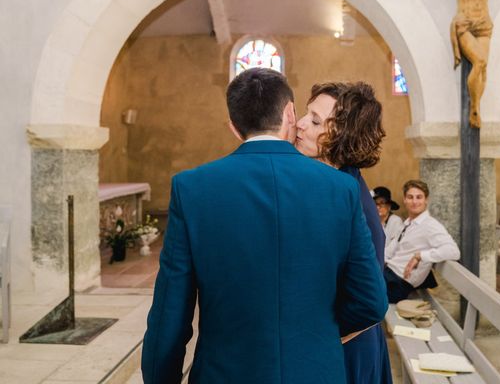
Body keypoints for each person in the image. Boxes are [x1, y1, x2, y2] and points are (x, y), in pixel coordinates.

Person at [142, 68, 388, 384]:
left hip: (224, 372)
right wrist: (314, 334)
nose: (301, 124)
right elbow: (371, 301)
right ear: (289, 112)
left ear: (233, 127)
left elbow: (169, 316)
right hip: (316, 370)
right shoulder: (341, 190)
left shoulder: (191, 188)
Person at [295, 81, 392, 384]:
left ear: (341, 135)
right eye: (304, 114)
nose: (298, 124)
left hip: (344, 355)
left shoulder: (355, 203)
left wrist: (313, 340)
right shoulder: (326, 183)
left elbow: (369, 305)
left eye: (314, 120)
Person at [384, 179, 460, 304]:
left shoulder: (430, 225)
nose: (414, 201)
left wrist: (420, 256)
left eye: (419, 197)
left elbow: (453, 251)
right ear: (404, 200)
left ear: (426, 200)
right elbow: (389, 251)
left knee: (353, 291)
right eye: (410, 197)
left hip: (397, 284)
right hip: (387, 274)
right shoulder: (408, 223)